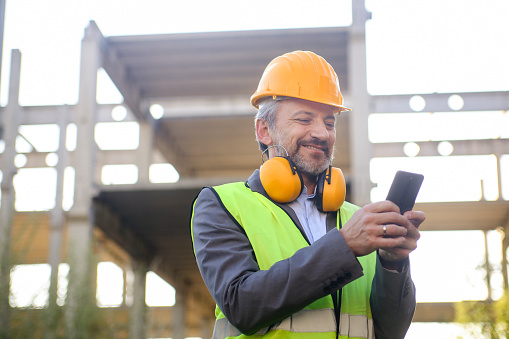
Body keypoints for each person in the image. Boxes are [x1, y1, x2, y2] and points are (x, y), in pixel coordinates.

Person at [190, 50, 425, 339]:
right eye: (304, 119)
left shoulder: (356, 219)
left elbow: (390, 331)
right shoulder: (222, 205)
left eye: (329, 122)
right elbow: (241, 305)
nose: (322, 134)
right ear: (264, 130)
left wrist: (392, 262)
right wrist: (344, 246)